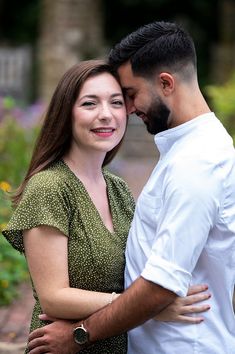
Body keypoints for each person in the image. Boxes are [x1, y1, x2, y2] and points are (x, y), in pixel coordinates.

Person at [26, 21, 235, 354]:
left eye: (125, 98)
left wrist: (81, 333)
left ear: (165, 83)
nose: (124, 110)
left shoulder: (193, 163)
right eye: (90, 103)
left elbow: (160, 287)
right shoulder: (181, 155)